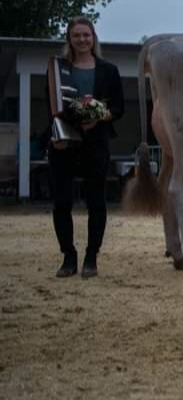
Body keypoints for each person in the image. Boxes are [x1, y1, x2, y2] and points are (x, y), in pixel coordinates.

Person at [45, 16, 124, 278]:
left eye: (86, 35)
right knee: (62, 201)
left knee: (96, 201)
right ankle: (69, 257)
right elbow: (53, 107)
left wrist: (99, 116)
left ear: (93, 37)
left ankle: (92, 257)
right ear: (69, 38)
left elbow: (118, 108)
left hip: (96, 142)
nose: (82, 39)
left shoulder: (109, 70)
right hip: (64, 141)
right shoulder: (58, 69)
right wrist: (59, 132)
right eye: (76, 35)